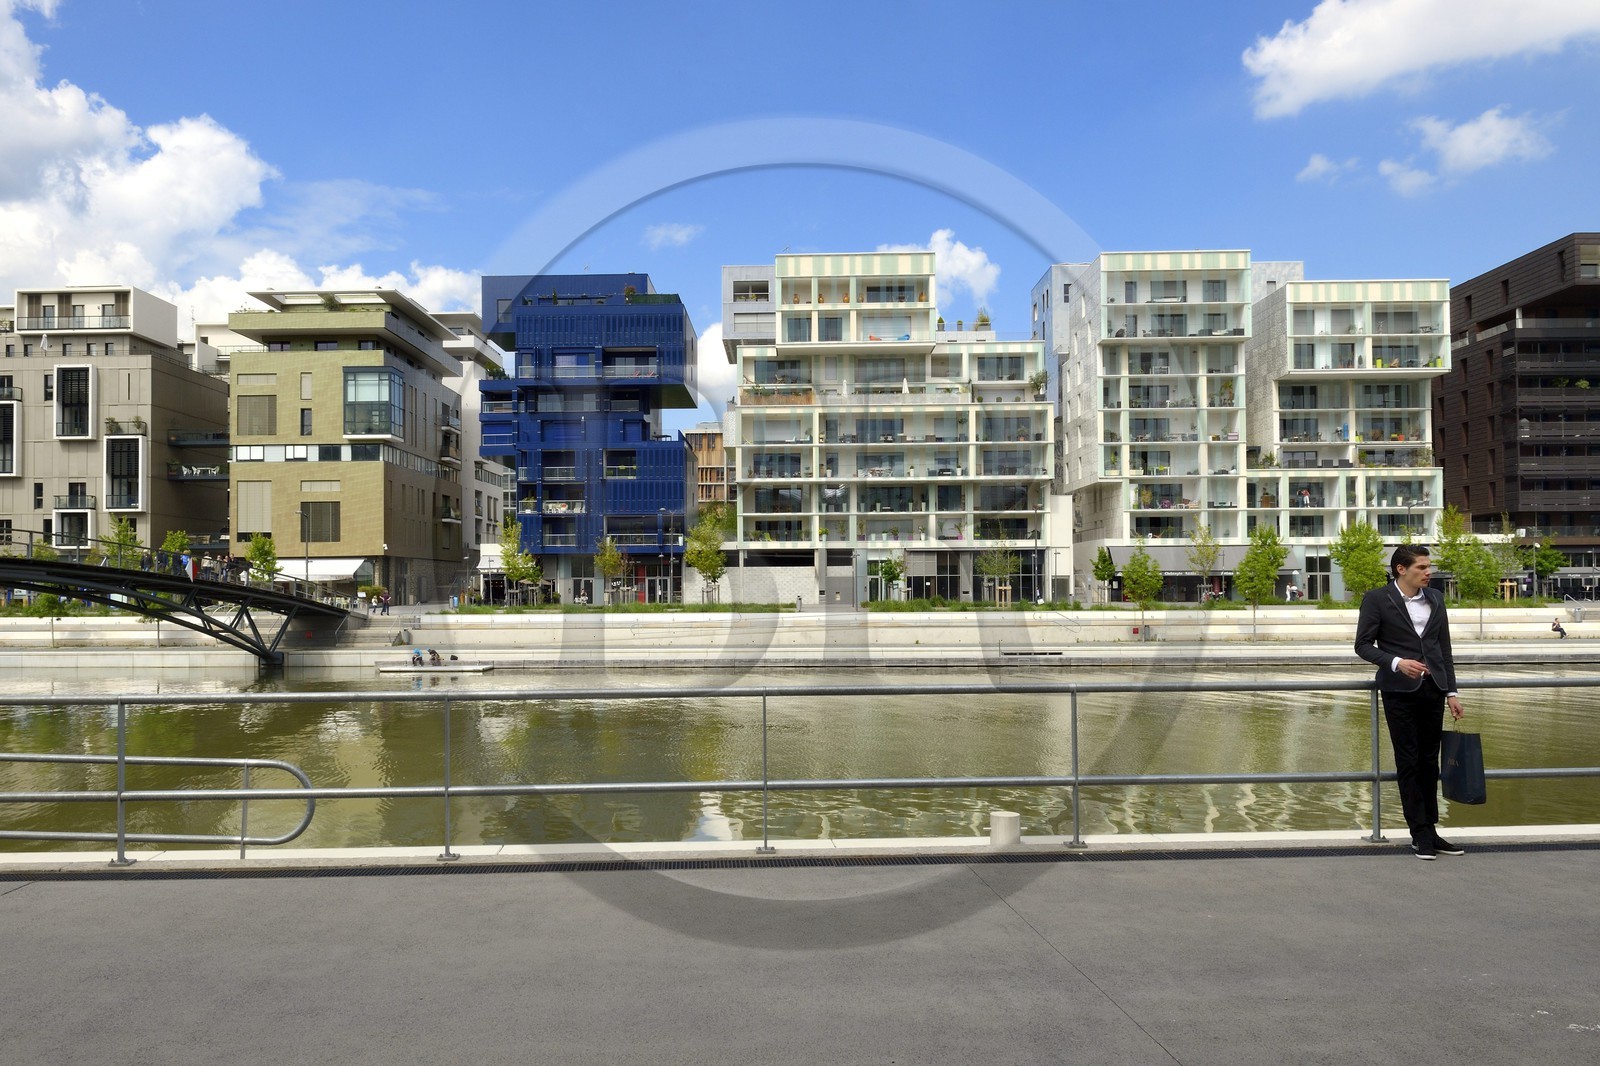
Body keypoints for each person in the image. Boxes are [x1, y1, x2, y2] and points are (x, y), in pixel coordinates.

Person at [1354, 544, 1466, 861]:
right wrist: (1396, 662)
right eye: (1422, 567)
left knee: (1430, 763)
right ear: (1402, 569)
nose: (1428, 572)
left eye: (1429, 567)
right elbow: (1362, 645)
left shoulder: (1436, 599)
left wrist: (1452, 693)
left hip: (1433, 689)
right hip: (1399, 691)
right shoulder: (1377, 599)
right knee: (1409, 761)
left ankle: (1431, 831)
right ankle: (1419, 834)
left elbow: (1444, 650)